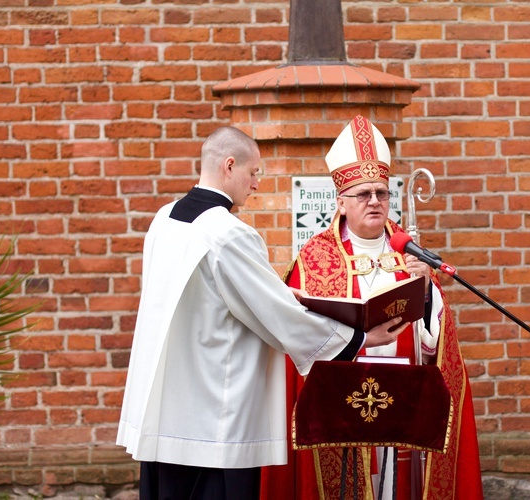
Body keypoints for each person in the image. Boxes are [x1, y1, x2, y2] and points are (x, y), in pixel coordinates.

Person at [116, 126, 410, 500]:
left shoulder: (165, 220)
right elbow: (277, 316)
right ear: (229, 166)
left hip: (169, 410)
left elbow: (209, 297)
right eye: (254, 173)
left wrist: (282, 294)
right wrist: (361, 337)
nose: (255, 185)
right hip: (218, 416)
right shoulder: (228, 233)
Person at [261, 115, 483, 500]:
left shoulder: (409, 253)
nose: (376, 202)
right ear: (341, 202)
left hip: (404, 399)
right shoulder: (314, 258)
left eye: (382, 193)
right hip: (342, 402)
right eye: (364, 194)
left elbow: (438, 345)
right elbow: (294, 337)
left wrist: (427, 292)